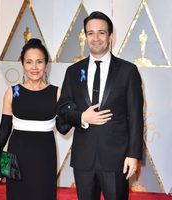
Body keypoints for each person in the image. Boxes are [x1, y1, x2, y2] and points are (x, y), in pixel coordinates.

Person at [57, 11, 144, 200]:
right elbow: (62, 109)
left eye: (101, 32)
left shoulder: (128, 71)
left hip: (117, 158)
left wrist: (133, 155)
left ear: (111, 36)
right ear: (85, 36)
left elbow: (136, 116)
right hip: (83, 159)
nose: (95, 38)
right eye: (90, 33)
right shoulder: (73, 71)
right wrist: (82, 118)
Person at [0, 38, 60, 200]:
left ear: (46, 64)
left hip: (45, 155)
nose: (34, 67)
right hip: (16, 155)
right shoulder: (12, 92)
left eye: (39, 62)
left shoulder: (56, 93)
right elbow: (5, 129)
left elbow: (64, 125)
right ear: (22, 64)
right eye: (29, 62)